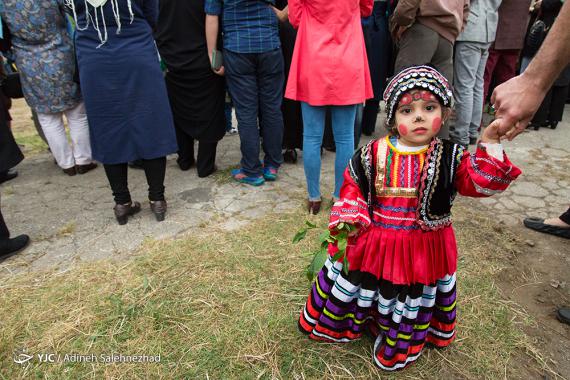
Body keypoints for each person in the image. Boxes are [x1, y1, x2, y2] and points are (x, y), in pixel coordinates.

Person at [298, 65, 521, 371]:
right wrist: (350, 214)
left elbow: (480, 183)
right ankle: (358, 321)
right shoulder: (371, 154)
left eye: (429, 108)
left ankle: (399, 338)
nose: (418, 116)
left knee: (407, 297)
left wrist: (490, 142)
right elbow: (353, 184)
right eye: (407, 110)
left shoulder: (451, 157)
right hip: (374, 243)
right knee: (366, 287)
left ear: (444, 113)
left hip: (423, 250)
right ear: (392, 119)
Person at [68, 0, 178, 224]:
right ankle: (157, 199)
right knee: (149, 123)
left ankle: (121, 203)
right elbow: (153, 16)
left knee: (108, 127)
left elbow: (72, 12)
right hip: (136, 52)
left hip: (94, 56)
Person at [286, 0, 374, 214]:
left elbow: (295, 17)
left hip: (313, 58)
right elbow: (367, 9)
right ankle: (340, 195)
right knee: (345, 137)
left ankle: (313, 197)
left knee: (312, 136)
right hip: (347, 57)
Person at [0, 1, 96, 176]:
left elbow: (3, 37)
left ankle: (66, 164)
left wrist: (11, 55)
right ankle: (84, 160)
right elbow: (71, 12)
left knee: (47, 117)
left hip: (28, 60)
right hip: (61, 53)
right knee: (77, 112)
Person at [205, 0, 284, 186]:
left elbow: (212, 15)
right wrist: (281, 14)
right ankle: (272, 165)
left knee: (246, 112)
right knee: (272, 109)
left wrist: (212, 54)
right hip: (270, 45)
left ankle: (252, 170)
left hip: (237, 49)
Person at [155, 0, 225, 178]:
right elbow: (216, 17)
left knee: (179, 109)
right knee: (210, 109)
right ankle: (205, 164)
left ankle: (184, 159)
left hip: (172, 56)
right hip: (204, 55)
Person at [450, 0, 502, 146]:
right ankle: (471, 131)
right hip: (488, 28)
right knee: (476, 84)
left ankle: (461, 133)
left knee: (465, 86)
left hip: (472, 29)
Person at [482, 0, 532, 109]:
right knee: (507, 81)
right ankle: (502, 118)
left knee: (484, 77)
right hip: (516, 36)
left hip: (497, 33)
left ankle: (476, 121)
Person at [273, 1, 304, 165]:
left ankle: (289, 143)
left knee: (287, 88)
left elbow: (285, 13)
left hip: (287, 30)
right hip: (300, 30)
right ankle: (303, 141)